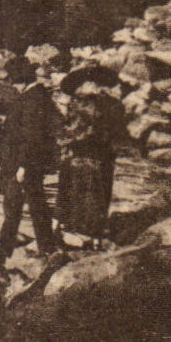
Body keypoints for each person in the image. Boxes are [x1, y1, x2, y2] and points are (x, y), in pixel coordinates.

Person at [0, 55, 61, 261]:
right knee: (34, 203)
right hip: (29, 161)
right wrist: (4, 121)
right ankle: (46, 248)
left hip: (25, 162)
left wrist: (24, 166)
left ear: (19, 80)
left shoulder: (32, 99)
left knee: (16, 204)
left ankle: (5, 250)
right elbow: (23, 126)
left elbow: (33, 135)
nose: (10, 85)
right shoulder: (35, 96)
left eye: (11, 80)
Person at [56, 64, 129, 247]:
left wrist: (59, 138)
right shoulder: (114, 104)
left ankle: (78, 235)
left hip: (81, 157)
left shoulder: (82, 103)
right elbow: (119, 133)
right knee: (100, 193)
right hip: (104, 157)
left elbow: (74, 132)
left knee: (79, 195)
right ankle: (95, 234)